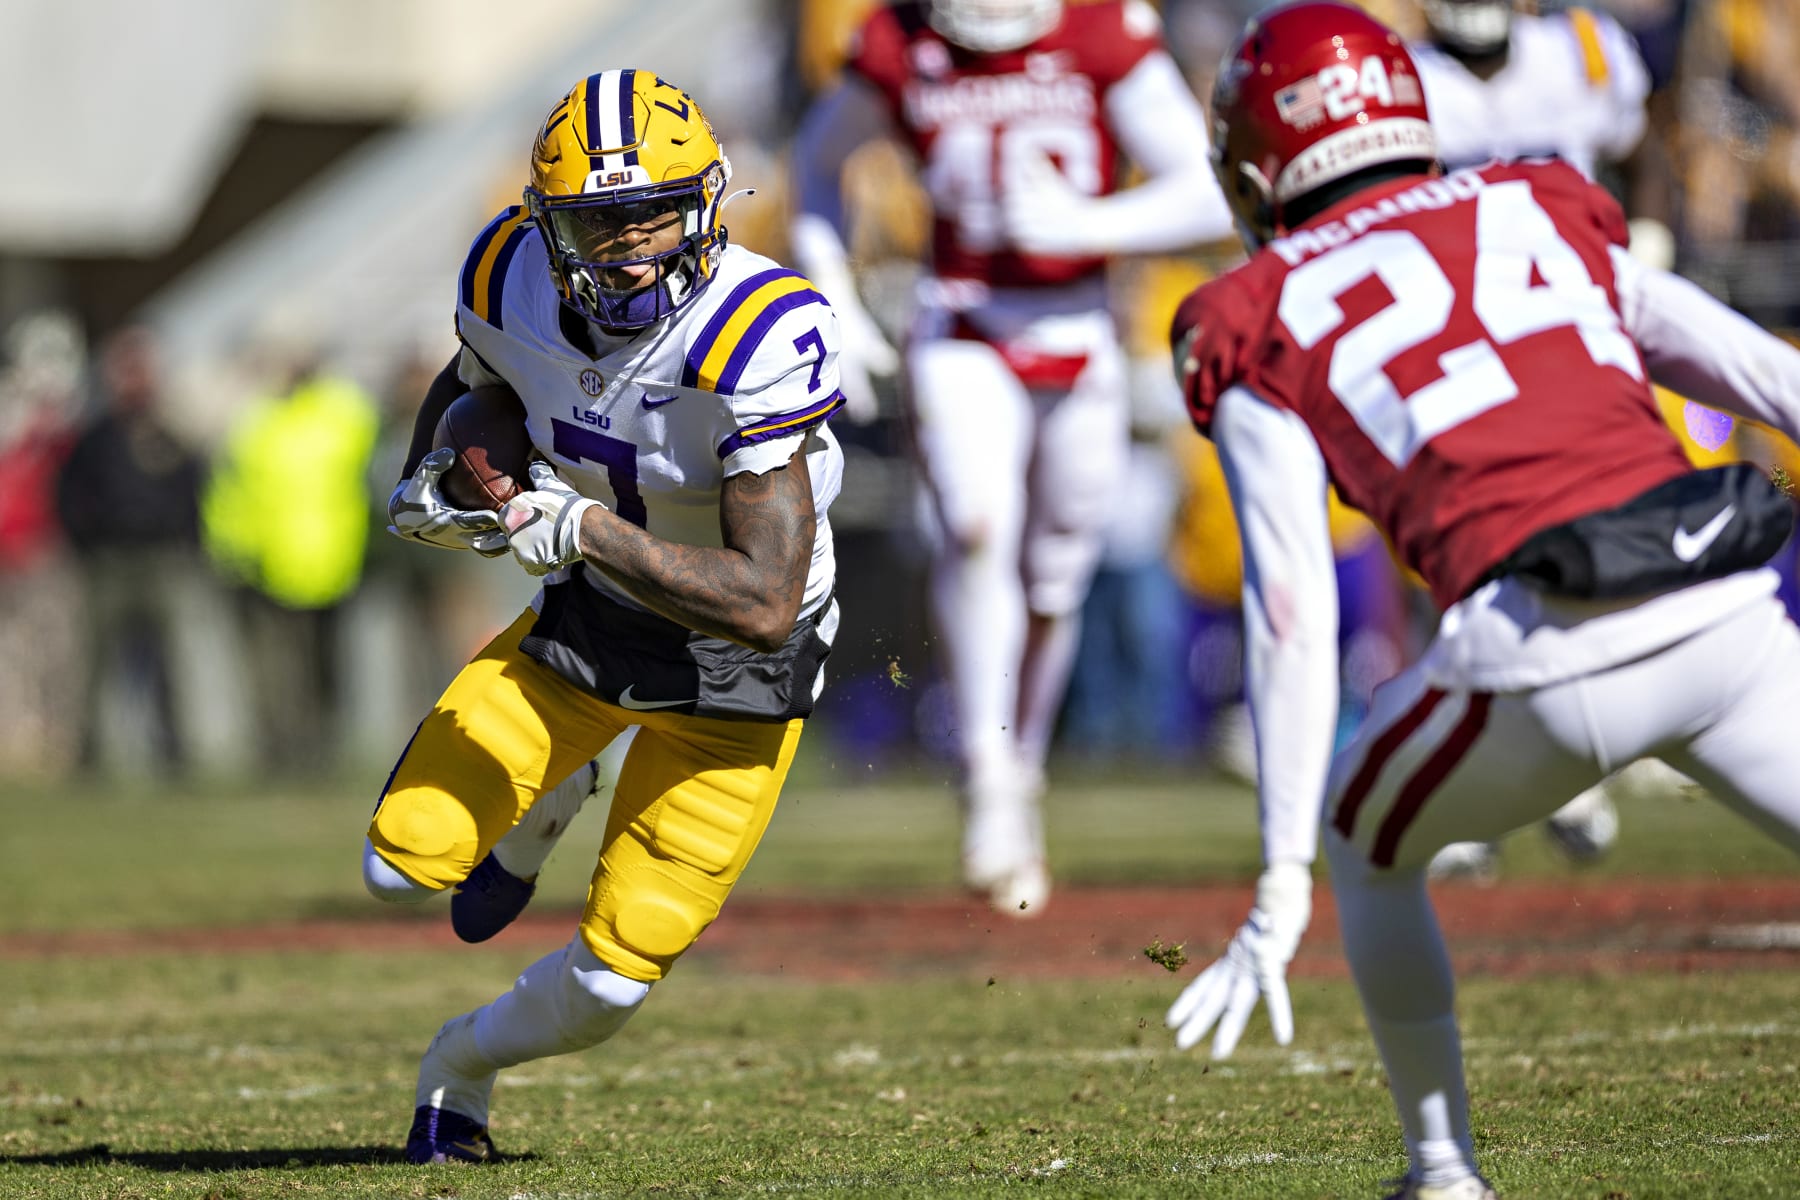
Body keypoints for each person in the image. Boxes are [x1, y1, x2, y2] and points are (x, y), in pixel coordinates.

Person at [1160, 5, 1800, 1198]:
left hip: (1535, 655)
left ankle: (1444, 1173)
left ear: (1256, 166)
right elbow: (1770, 380)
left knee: (1366, 846)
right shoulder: (1536, 204)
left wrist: (1279, 881)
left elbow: (1294, 611)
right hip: (1724, 610)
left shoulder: (1248, 319)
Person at [366, 70, 845, 1164]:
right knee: (399, 864)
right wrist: (431, 473)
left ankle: (461, 1065)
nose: (627, 247)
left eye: (652, 215)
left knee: (609, 984)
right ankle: (562, 782)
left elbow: (764, 603)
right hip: (597, 623)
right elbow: (476, 377)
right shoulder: (506, 271)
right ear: (545, 221)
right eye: (595, 221)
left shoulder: (758, 331)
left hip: (739, 670)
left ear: (710, 204)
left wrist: (576, 527)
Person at [789, 0, 1233, 914]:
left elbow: (1206, 184)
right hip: (963, 317)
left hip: (1080, 325)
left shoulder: (1102, 29)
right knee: (976, 526)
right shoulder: (901, 38)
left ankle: (1018, 768)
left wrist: (1087, 226)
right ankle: (990, 779)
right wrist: (829, 291)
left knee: (1056, 577)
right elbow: (817, 162)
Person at [1410, 0, 1662, 880]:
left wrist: (1647, 240)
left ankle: (1574, 760)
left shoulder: (1586, 50)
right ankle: (1501, 783)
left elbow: (1640, 147)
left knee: (1582, 545)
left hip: (1573, 333)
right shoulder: (1402, 75)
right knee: (1471, 558)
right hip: (1460, 349)